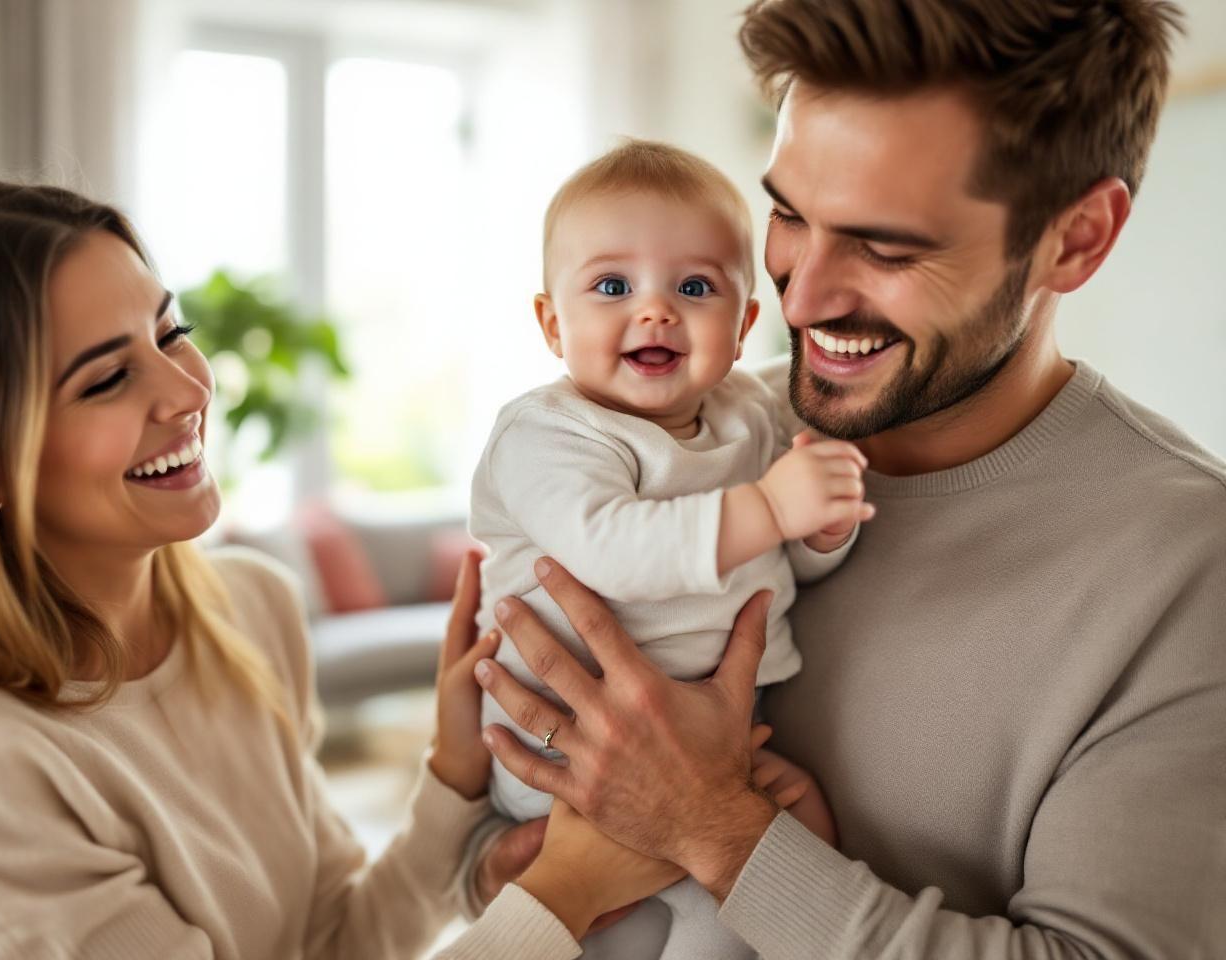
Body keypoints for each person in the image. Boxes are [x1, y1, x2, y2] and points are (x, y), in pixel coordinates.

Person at [464, 0, 1226, 957]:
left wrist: (715, 831)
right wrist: (518, 870)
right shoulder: (712, 430)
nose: (800, 295)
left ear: (1075, 239)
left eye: (886, 245)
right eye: (786, 214)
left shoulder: (1191, 571)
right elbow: (487, 845)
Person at [0, 181, 678, 959]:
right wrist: (562, 897)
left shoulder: (247, 611)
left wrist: (458, 782)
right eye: (105, 381)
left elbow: (330, 940)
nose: (187, 392)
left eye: (169, 332)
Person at [469, 139, 866, 958]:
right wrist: (767, 505)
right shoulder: (549, 433)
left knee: (757, 886)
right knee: (632, 916)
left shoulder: (750, 412)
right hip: (568, 746)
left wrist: (821, 531)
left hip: (716, 736)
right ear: (552, 323)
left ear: (746, 321)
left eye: (694, 287)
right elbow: (615, 552)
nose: (654, 311)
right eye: (612, 286)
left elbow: (774, 559)